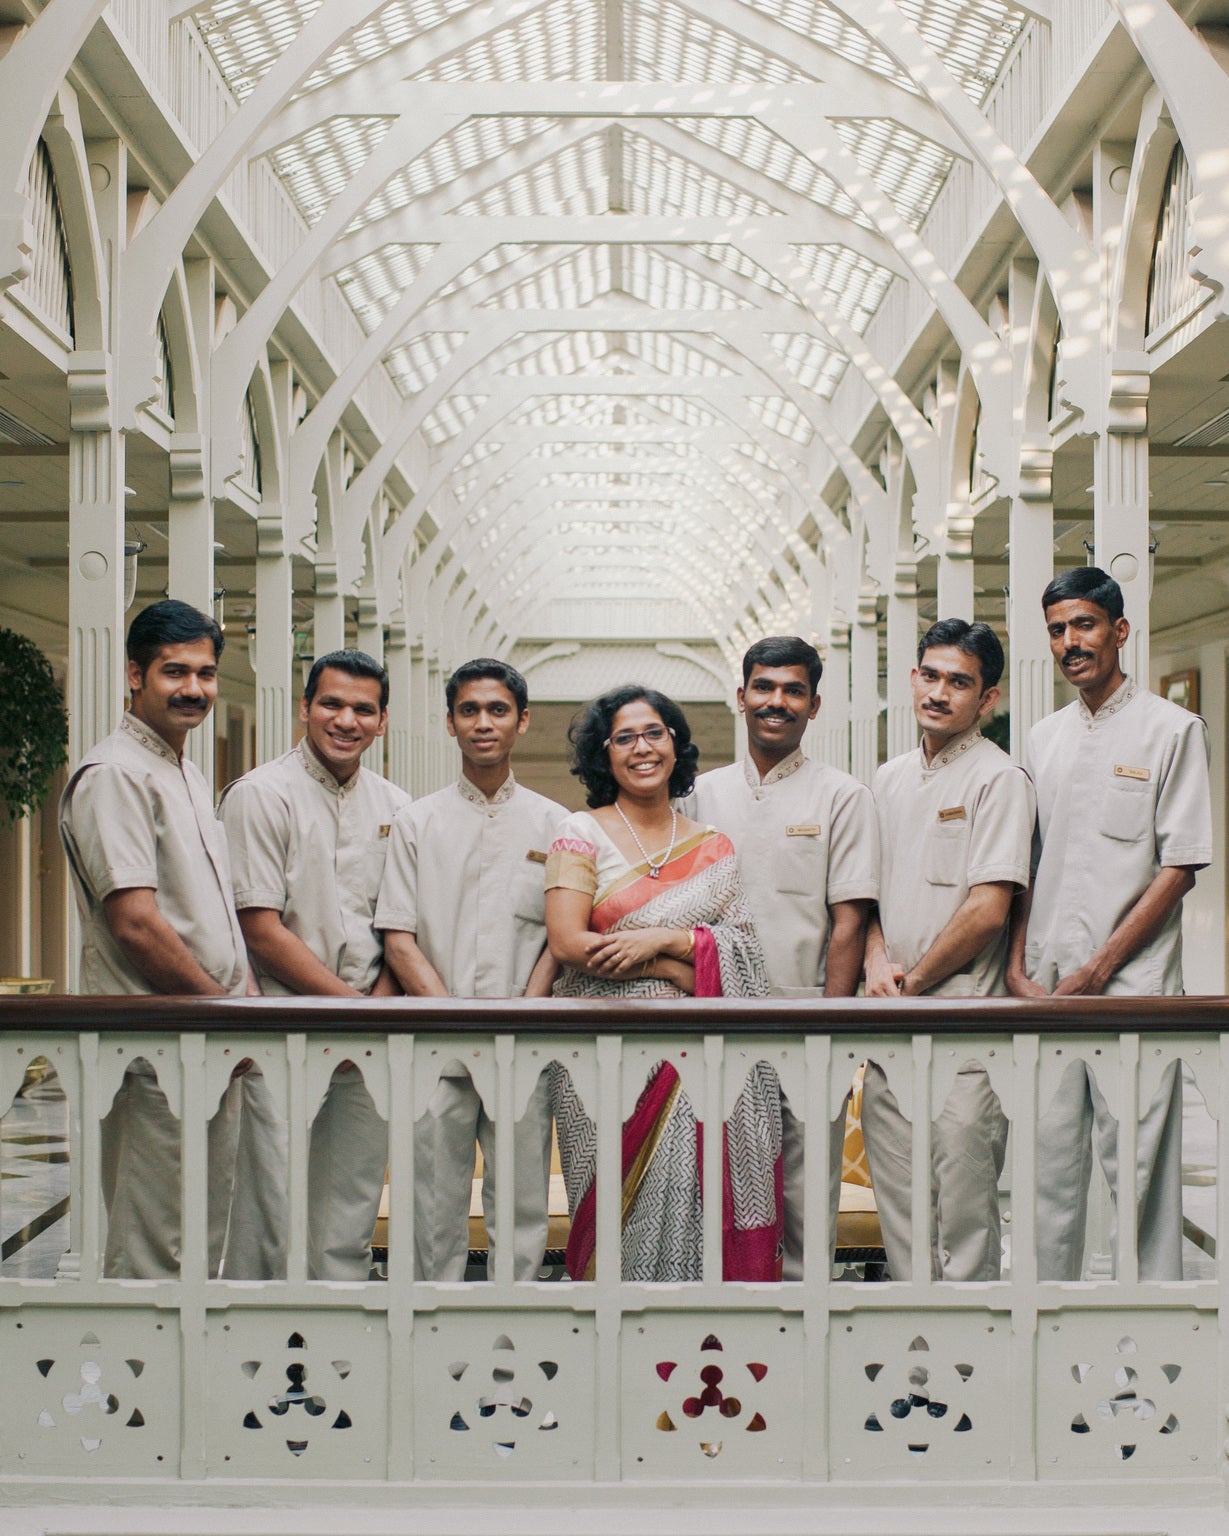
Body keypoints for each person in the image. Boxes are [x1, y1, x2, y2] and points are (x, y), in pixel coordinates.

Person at [58, 599, 280, 1279]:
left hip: (204, 1042)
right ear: (135, 674)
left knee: (198, 1234)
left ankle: (184, 1387)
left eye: (206, 674)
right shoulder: (116, 775)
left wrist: (234, 1002)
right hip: (156, 1052)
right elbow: (135, 923)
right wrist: (226, 1010)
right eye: (173, 672)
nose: (193, 689)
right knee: (155, 1248)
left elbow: (203, 914)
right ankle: (130, 1389)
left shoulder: (181, 769)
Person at [1007, 566, 1212, 1281]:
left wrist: (1099, 969)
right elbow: (1025, 861)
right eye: (1057, 630)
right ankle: (1041, 1342)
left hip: (1134, 986)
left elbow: (1178, 868)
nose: (1070, 642)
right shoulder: (1041, 739)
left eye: (1084, 625)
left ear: (1119, 631)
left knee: (1139, 1176)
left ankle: (1148, 1356)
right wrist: (1016, 968)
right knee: (1047, 1178)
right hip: (1047, 986)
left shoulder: (1172, 730)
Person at [545, 684, 776, 1283]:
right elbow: (569, 944)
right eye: (624, 737)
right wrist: (672, 965)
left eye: (654, 733)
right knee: (609, 1215)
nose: (641, 748)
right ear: (606, 753)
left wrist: (666, 942)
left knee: (697, 1209)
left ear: (676, 744)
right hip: (602, 1057)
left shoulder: (713, 846)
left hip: (700, 1066)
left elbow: (745, 957)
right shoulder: (579, 832)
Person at [680, 636, 878, 1278]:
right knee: (711, 1190)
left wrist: (831, 1027)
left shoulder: (841, 796)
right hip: (710, 1026)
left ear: (814, 706)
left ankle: (804, 1337)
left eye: (794, 691)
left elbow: (848, 923)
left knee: (804, 1195)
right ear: (741, 697)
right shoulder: (698, 797)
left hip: (805, 1025)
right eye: (764, 687)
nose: (777, 702)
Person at [217, 649, 410, 1280]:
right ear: (305, 708)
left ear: (383, 720)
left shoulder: (397, 807)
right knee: (271, 1204)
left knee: (350, 1203)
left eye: (363, 708)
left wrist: (377, 1005)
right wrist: (351, 1008)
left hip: (369, 1033)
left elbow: (398, 923)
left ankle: (340, 1353)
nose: (345, 720)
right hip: (281, 1029)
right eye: (331, 703)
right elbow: (260, 929)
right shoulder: (259, 796)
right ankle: (255, 1358)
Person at [375, 659, 565, 1281]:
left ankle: (516, 1332)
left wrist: (524, 1015)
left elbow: (559, 940)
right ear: (451, 723)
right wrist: (452, 1019)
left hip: (523, 1046)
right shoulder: (416, 822)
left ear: (522, 721)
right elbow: (399, 938)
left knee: (522, 1205)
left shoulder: (556, 826)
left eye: (498, 710)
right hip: (435, 1046)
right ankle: (436, 1340)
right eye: (469, 711)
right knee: (431, 1207)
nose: (484, 723)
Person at [860, 619, 1035, 1280]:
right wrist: (876, 964)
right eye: (929, 676)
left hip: (964, 1032)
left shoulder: (999, 780)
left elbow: (987, 910)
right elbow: (864, 896)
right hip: (887, 1032)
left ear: (985, 699)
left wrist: (913, 985)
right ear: (911, 679)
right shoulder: (887, 779)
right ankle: (911, 1373)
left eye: (958, 682)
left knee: (963, 1221)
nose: (939, 692)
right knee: (899, 1219)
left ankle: (970, 1374)